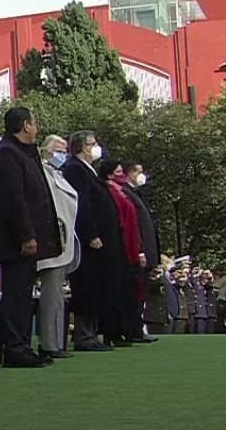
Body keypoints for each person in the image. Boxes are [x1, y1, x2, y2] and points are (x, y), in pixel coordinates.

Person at [0, 107, 61, 367]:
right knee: (15, 294)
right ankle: (14, 348)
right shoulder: (7, 154)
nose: (37, 127)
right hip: (15, 241)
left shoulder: (26, 154)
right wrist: (26, 235)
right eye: (35, 122)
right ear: (26, 125)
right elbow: (13, 200)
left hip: (28, 241)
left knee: (24, 294)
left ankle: (23, 344)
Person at [60, 131, 127, 350]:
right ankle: (84, 336)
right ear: (82, 147)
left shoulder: (88, 171)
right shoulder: (75, 169)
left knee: (98, 286)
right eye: (93, 143)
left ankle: (91, 333)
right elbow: (82, 203)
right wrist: (90, 234)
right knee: (88, 287)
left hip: (103, 240)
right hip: (90, 241)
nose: (96, 147)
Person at [36, 135, 79, 358]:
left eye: (65, 151)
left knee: (57, 297)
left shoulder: (57, 174)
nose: (63, 155)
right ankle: (49, 344)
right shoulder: (42, 172)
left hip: (63, 242)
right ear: (47, 151)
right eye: (59, 150)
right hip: (52, 242)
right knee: (50, 296)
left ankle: (55, 343)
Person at [95, 158, 145, 345]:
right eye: (118, 172)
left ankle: (128, 330)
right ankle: (116, 331)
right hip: (120, 245)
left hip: (128, 246)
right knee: (118, 291)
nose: (121, 175)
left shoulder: (121, 192)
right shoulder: (111, 192)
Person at [118, 161, 158, 342]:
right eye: (138, 172)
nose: (142, 175)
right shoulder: (126, 192)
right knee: (136, 293)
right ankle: (133, 330)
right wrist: (140, 249)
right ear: (130, 173)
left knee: (141, 293)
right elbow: (135, 225)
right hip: (138, 253)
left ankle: (137, 329)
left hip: (147, 253)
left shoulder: (135, 193)